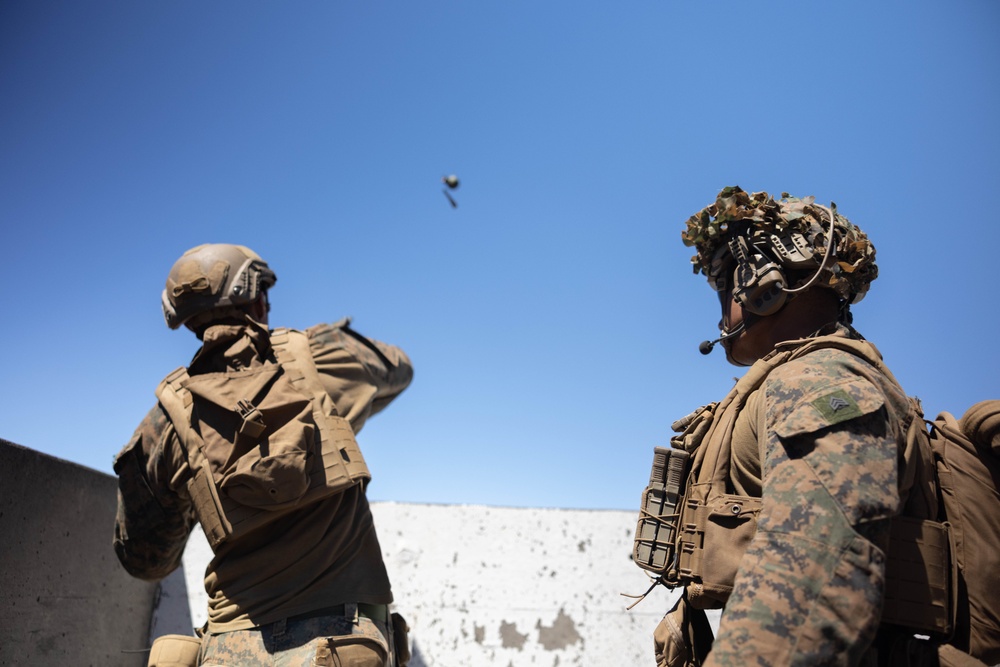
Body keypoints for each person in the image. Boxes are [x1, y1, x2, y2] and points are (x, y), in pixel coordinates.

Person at [635, 187, 948, 666]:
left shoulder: (816, 380)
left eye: (725, 282)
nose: (722, 306)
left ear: (763, 284)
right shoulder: (793, 380)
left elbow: (816, 571)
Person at [113, 243, 413, 667]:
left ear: (188, 322)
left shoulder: (162, 424)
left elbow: (147, 560)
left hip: (232, 649)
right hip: (342, 643)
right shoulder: (320, 356)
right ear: (257, 299)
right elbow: (399, 369)